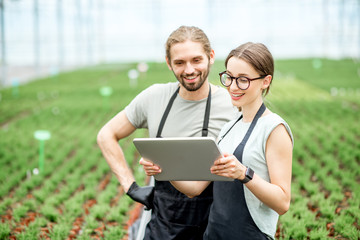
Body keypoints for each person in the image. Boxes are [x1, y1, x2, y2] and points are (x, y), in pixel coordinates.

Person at [97, 26, 236, 240]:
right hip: (164, 225)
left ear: (211, 57)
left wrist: (164, 166)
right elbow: (106, 135)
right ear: (169, 63)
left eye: (196, 60)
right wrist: (131, 186)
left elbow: (195, 189)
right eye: (179, 62)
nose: (189, 70)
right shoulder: (154, 98)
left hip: (213, 225)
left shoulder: (230, 105)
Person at [146, 42, 294, 240]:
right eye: (229, 77)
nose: (232, 87)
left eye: (243, 80)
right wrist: (164, 167)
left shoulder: (274, 129)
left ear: (265, 81)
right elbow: (195, 188)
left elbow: (282, 202)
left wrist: (243, 173)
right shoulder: (228, 127)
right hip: (214, 234)